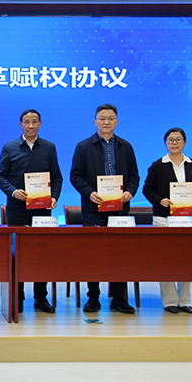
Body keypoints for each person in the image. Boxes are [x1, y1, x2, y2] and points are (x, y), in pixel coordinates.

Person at [69, 104, 139, 314]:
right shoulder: (83, 146)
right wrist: (89, 192)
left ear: (116, 122)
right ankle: (93, 298)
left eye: (110, 118)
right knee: (93, 254)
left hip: (120, 210)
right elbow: (75, 176)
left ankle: (119, 298)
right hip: (93, 210)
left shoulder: (126, 146)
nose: (106, 122)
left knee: (120, 254)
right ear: (95, 122)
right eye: (102, 118)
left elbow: (134, 176)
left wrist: (129, 192)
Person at [0, 109, 62, 314]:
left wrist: (54, 196)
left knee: (41, 254)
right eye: (26, 122)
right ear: (21, 125)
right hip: (17, 209)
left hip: (41, 209)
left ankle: (41, 298)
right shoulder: (10, 147)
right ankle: (18, 297)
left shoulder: (49, 147)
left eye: (34, 122)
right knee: (18, 254)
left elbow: (56, 177)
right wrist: (14, 192)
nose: (30, 125)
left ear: (40, 124)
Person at [143, 127, 192, 314]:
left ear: (185, 142)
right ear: (165, 143)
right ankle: (170, 301)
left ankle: (185, 301)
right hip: (164, 219)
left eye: (178, 139)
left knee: (187, 260)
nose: (174, 143)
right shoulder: (157, 165)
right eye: (170, 140)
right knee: (165, 260)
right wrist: (159, 200)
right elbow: (147, 190)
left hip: (189, 220)